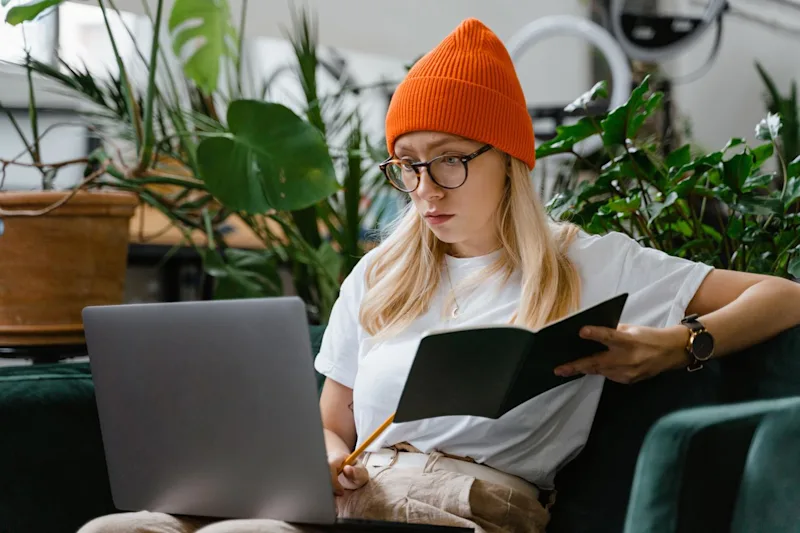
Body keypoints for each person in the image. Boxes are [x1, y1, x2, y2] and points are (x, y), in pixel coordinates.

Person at [80, 17, 800, 533]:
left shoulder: (588, 258)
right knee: (119, 528)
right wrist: (330, 462)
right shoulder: (380, 274)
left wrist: (680, 344)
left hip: (468, 504)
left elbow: (785, 294)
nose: (425, 186)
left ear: (509, 159)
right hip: (353, 497)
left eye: (451, 157)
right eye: (408, 162)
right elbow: (331, 425)